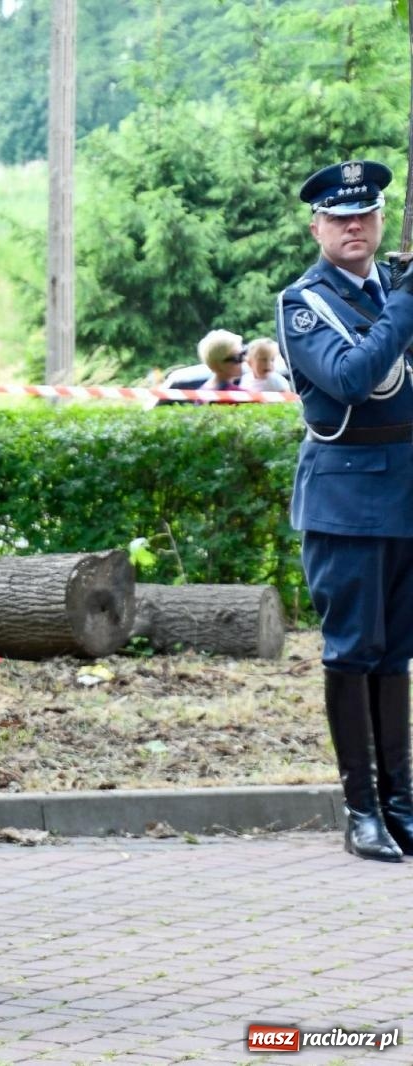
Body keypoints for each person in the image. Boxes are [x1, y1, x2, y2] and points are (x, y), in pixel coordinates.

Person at [278, 158, 413, 863]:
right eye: (339, 217)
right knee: (352, 651)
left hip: (405, 493)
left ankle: (401, 804)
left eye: (365, 214)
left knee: (395, 654)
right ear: (317, 228)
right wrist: (405, 308)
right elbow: (352, 377)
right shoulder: (305, 302)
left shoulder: (395, 287)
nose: (353, 226)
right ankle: (361, 811)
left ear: (382, 221)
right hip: (347, 498)